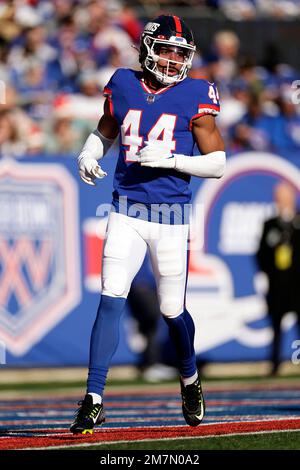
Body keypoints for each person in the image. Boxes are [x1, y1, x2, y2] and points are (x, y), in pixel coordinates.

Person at [70, 15, 225, 434]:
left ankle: (189, 379)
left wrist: (172, 160)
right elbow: (105, 129)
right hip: (125, 209)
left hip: (171, 216)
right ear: (147, 49)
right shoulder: (122, 82)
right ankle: (94, 397)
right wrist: (89, 152)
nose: (174, 62)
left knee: (171, 310)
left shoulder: (196, 93)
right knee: (110, 297)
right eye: (167, 51)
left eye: (181, 55)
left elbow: (217, 163)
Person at [256, 182, 300, 375]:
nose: (282, 201)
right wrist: (269, 273)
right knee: (276, 325)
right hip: (277, 284)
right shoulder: (270, 223)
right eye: (278, 197)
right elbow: (260, 253)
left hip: (297, 283)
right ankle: (275, 363)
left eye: (285, 197)